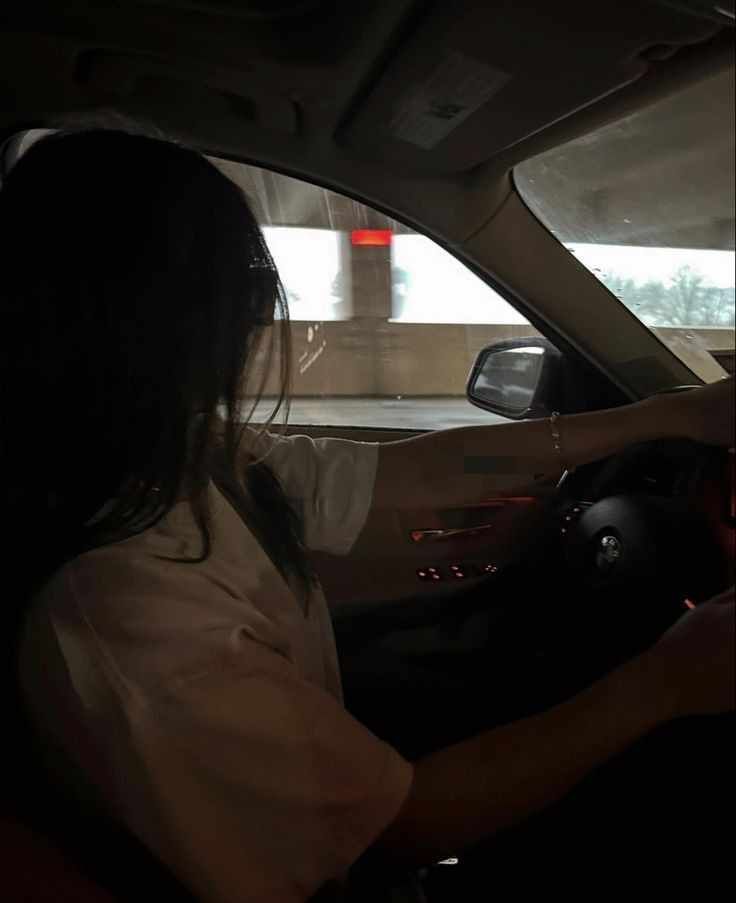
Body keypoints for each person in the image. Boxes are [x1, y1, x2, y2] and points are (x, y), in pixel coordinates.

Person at [1, 130, 733, 903]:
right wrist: (668, 681)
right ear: (132, 318)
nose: (253, 317)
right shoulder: (124, 605)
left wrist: (666, 416)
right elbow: (401, 824)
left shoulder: (173, 457)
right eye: (234, 286)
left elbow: (406, 472)